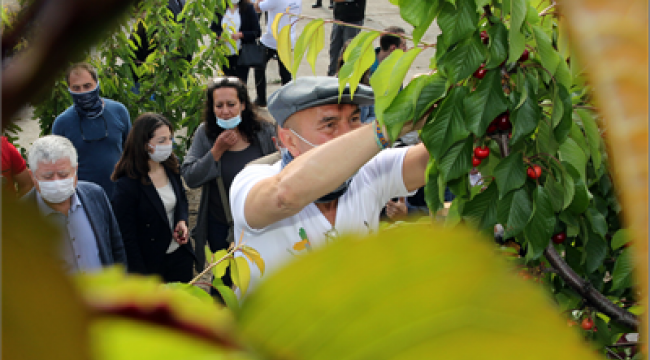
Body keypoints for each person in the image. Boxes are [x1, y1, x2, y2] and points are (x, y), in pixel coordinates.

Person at [230, 76, 429, 292]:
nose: (348, 134)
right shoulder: (251, 180)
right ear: (289, 140)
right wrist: (388, 127)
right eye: (330, 125)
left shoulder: (370, 170)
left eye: (354, 119)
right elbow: (283, 196)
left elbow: (435, 159)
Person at [181, 77, 276, 279]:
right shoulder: (205, 134)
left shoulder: (264, 131)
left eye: (231, 104)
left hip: (262, 222)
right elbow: (190, 176)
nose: (225, 111)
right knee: (225, 280)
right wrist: (216, 152)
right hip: (223, 226)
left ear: (243, 104)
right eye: (219, 105)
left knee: (261, 276)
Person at [111, 113, 196, 283]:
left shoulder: (171, 166)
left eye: (170, 139)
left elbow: (181, 199)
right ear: (144, 144)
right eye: (161, 141)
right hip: (152, 267)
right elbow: (127, 236)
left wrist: (181, 220)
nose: (168, 145)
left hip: (179, 257)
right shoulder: (128, 184)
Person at [22, 135, 127, 273]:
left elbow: (116, 248)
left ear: (75, 170)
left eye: (63, 174)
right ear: (32, 176)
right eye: (47, 176)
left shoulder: (95, 195)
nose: (56, 182)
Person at [52, 62, 131, 199]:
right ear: (69, 88)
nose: (83, 92)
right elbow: (58, 168)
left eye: (87, 86)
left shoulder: (119, 111)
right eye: (76, 88)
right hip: (84, 200)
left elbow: (131, 150)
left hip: (121, 195)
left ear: (97, 84)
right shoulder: (62, 123)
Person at [252, 0, 302, 107]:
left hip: (271, 39)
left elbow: (257, 7)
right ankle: (287, 100)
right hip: (288, 39)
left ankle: (261, 99)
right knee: (285, 73)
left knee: (259, 67)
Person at [210, 0, 261, 84]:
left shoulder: (248, 8)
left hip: (242, 53)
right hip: (224, 53)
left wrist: (241, 35)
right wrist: (220, 36)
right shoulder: (220, 8)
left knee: (241, 83)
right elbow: (213, 29)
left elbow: (257, 32)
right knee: (227, 83)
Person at [327, 0, 366, 76]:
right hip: (338, 18)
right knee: (334, 49)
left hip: (353, 20)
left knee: (348, 51)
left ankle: (345, 76)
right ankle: (332, 74)